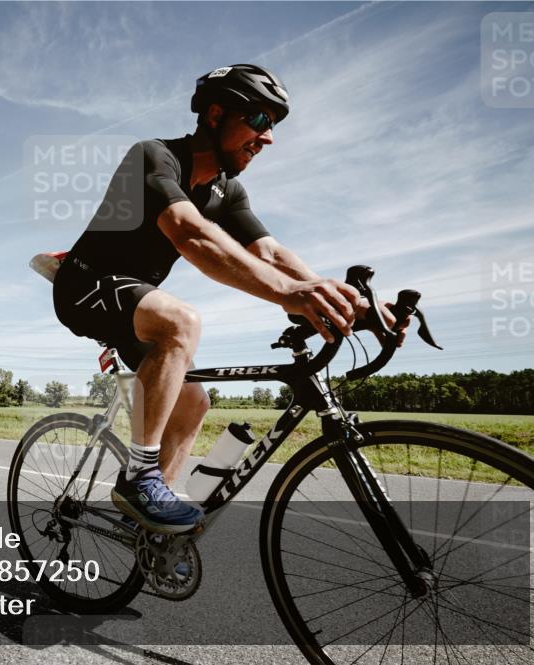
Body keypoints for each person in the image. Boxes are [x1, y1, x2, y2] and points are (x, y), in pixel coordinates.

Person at [53, 64, 400, 534]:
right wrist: (293, 293)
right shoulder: (155, 156)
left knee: (194, 403)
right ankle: (139, 476)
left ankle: (150, 530)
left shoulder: (227, 190)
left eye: (273, 125)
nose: (269, 138)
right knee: (181, 321)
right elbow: (189, 232)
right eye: (259, 119)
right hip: (85, 285)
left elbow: (272, 254)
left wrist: (345, 301)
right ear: (216, 114)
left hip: (138, 302)